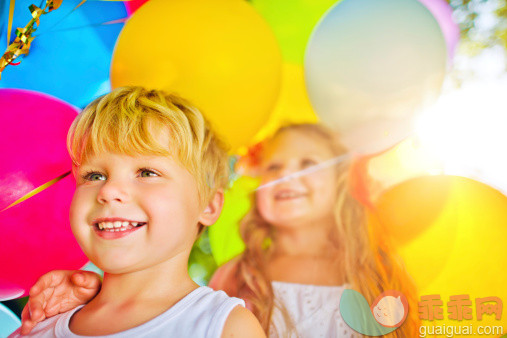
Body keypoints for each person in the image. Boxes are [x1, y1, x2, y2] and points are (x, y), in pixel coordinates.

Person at [20, 124, 419, 337]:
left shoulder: (376, 270)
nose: (287, 178)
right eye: (274, 168)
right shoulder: (239, 275)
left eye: (307, 164)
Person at [10, 86, 265, 338]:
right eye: (94, 175)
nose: (109, 191)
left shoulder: (224, 327)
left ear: (208, 205)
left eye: (147, 173)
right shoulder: (38, 328)